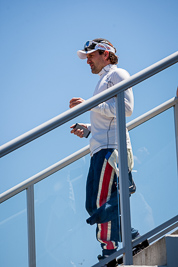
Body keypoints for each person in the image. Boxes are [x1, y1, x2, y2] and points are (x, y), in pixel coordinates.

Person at [69, 38, 139, 264]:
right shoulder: (103, 80)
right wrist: (87, 130)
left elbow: (126, 109)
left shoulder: (118, 75)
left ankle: (110, 251)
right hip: (102, 148)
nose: (87, 61)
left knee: (100, 202)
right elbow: (106, 120)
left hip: (111, 150)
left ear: (105, 54)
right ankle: (131, 235)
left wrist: (89, 104)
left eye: (91, 56)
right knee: (94, 203)